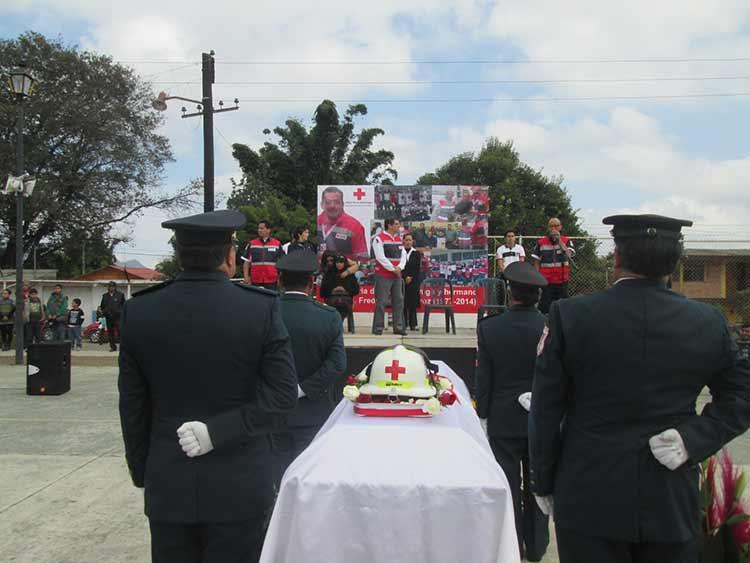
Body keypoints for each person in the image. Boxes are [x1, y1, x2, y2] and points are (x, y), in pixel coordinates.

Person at [529, 214, 750, 563]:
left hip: (588, 493)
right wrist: (694, 438)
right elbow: (742, 394)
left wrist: (543, 479)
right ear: (676, 261)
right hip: (669, 499)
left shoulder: (569, 315)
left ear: (616, 256)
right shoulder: (708, 322)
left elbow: (545, 408)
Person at [119, 209, 298, 563]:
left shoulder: (140, 312)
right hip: (240, 485)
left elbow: (133, 406)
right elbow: (281, 398)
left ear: (179, 256)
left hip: (168, 483)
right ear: (230, 257)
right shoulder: (260, 310)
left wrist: (145, 472)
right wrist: (218, 431)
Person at [476, 261, 550, 561]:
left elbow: (484, 377)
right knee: (538, 485)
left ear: (510, 293)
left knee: (507, 486)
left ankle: (511, 545)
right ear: (538, 296)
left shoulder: (490, 327)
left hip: (503, 419)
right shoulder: (550, 326)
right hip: (542, 417)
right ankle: (538, 546)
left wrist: (482, 414)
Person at [273, 251, 346, 483]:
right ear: (312, 283)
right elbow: (337, 364)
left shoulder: (264, 312)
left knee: (275, 482)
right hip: (314, 413)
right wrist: (301, 389)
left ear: (280, 280)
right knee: (310, 481)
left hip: (269, 413)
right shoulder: (329, 317)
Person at [531, 217, 576, 314]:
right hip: (546, 282)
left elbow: (570, 255)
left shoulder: (566, 240)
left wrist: (559, 240)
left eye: (556, 226)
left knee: (563, 309)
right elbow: (536, 261)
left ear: (560, 227)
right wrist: (537, 277)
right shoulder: (541, 242)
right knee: (545, 308)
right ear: (548, 228)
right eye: (551, 226)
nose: (553, 229)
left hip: (562, 281)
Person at [372, 218, 407, 335]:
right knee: (381, 302)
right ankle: (378, 328)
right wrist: (393, 269)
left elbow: (403, 255)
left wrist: (400, 268)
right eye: (397, 224)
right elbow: (380, 257)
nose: (399, 226)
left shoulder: (398, 239)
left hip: (397, 275)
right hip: (383, 275)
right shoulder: (379, 238)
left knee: (399, 301)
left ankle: (398, 327)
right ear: (389, 225)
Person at [317, 186, 368, 261]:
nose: (332, 206)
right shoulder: (316, 221)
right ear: (322, 205)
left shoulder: (355, 226)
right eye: (328, 202)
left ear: (342, 204)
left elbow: (362, 259)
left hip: (344, 271)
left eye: (337, 202)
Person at [320, 255, 360, 331]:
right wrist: (333, 290)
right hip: (331, 298)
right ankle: (337, 325)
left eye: (341, 262)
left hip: (346, 299)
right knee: (336, 303)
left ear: (345, 263)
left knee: (342, 304)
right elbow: (323, 290)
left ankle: (337, 325)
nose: (339, 264)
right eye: (337, 262)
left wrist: (345, 290)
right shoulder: (329, 273)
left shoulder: (350, 275)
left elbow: (356, 290)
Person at [243, 220, 283, 290]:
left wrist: (281, 278)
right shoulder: (252, 243)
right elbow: (246, 262)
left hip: (272, 280)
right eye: (258, 228)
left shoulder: (277, 244)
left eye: (262, 228)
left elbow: (282, 262)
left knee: (271, 300)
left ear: (268, 230)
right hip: (255, 279)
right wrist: (246, 277)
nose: (259, 230)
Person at [402, 233, 423, 331]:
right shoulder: (400, 252)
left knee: (412, 303)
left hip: (413, 281)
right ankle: (403, 323)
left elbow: (417, 268)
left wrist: (410, 277)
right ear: (403, 241)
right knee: (403, 303)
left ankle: (413, 324)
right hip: (402, 280)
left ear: (412, 242)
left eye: (409, 240)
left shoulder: (416, 253)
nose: (408, 242)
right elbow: (399, 266)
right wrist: (405, 276)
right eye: (406, 240)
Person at [100, 281, 126, 352]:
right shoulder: (104, 296)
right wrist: (105, 312)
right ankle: (113, 347)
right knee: (110, 333)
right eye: (109, 286)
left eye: (112, 286)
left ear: (115, 287)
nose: (111, 288)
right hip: (108, 317)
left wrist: (121, 312)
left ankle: (123, 347)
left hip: (118, 317)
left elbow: (124, 305)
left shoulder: (120, 295)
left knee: (120, 332)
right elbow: (102, 306)